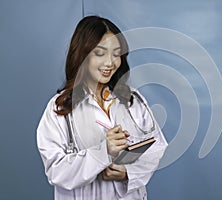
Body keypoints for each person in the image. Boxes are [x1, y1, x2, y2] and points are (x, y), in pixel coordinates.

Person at [37, 15, 168, 200]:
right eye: (100, 53)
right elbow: (55, 170)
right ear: (82, 55)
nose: (110, 63)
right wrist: (103, 151)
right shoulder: (60, 108)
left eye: (116, 54)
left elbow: (156, 147)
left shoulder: (132, 100)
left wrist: (127, 173)